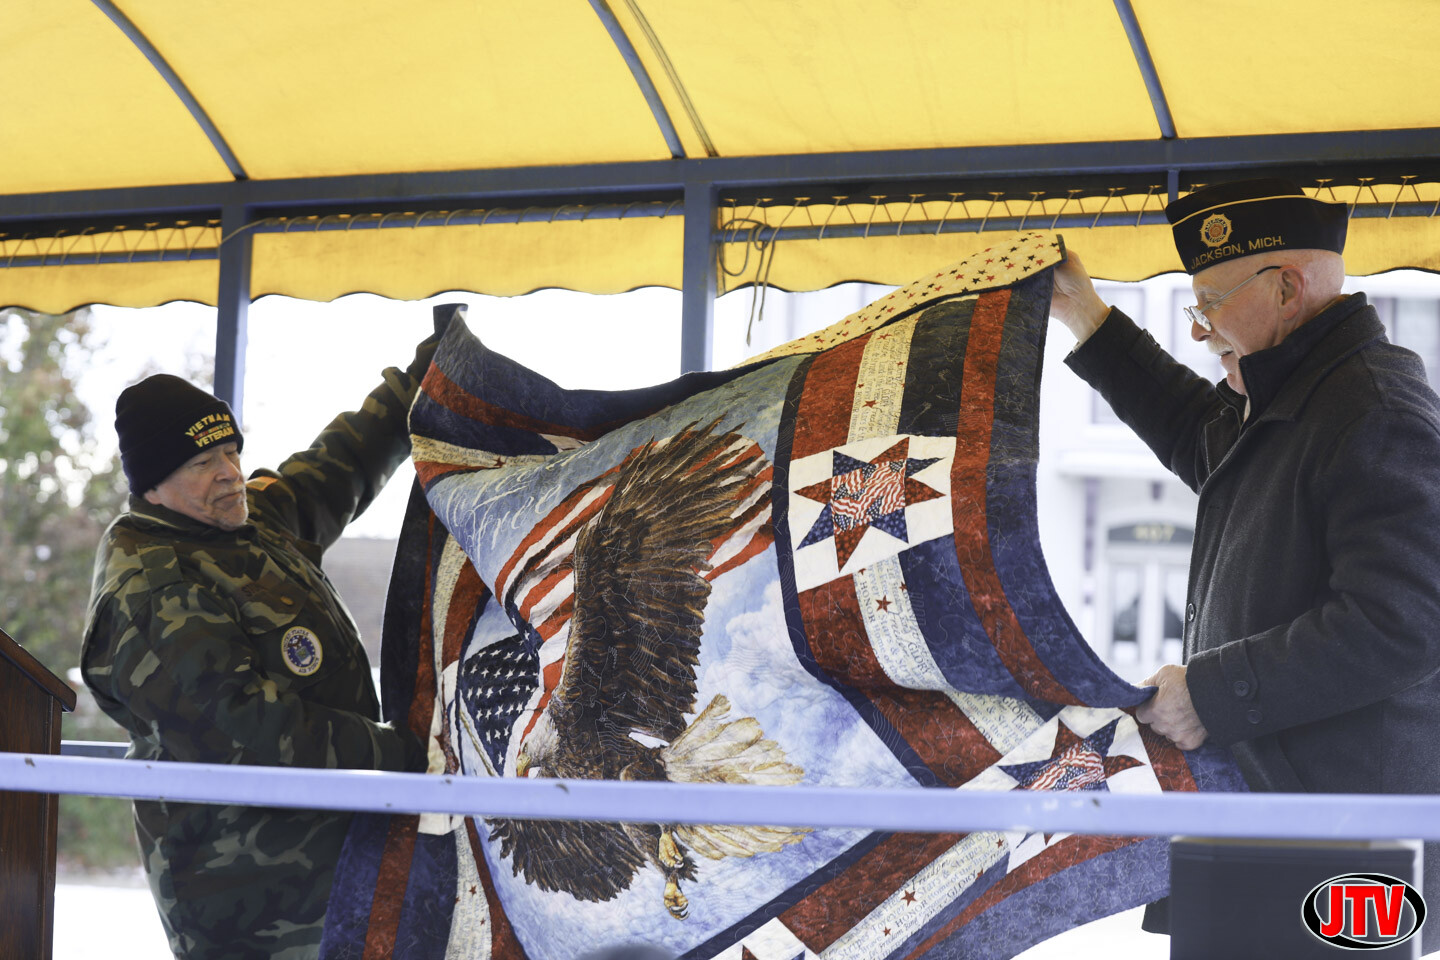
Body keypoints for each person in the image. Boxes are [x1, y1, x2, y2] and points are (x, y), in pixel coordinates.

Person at [1049, 178, 1440, 952]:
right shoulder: (1304, 395)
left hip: (1341, 842)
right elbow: (1192, 427)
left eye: (1211, 305)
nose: (1201, 331)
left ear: (1286, 288)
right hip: (1280, 819)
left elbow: (1406, 622)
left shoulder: (1374, 410)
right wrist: (1084, 315)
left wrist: (1211, 693)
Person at [81, 315, 447, 959]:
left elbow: (343, 461)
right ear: (153, 487)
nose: (228, 472)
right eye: (202, 462)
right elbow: (251, 732)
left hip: (340, 863)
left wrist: (424, 377)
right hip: (254, 905)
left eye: (231, 451)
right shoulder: (153, 588)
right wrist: (409, 755)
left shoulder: (248, 521)